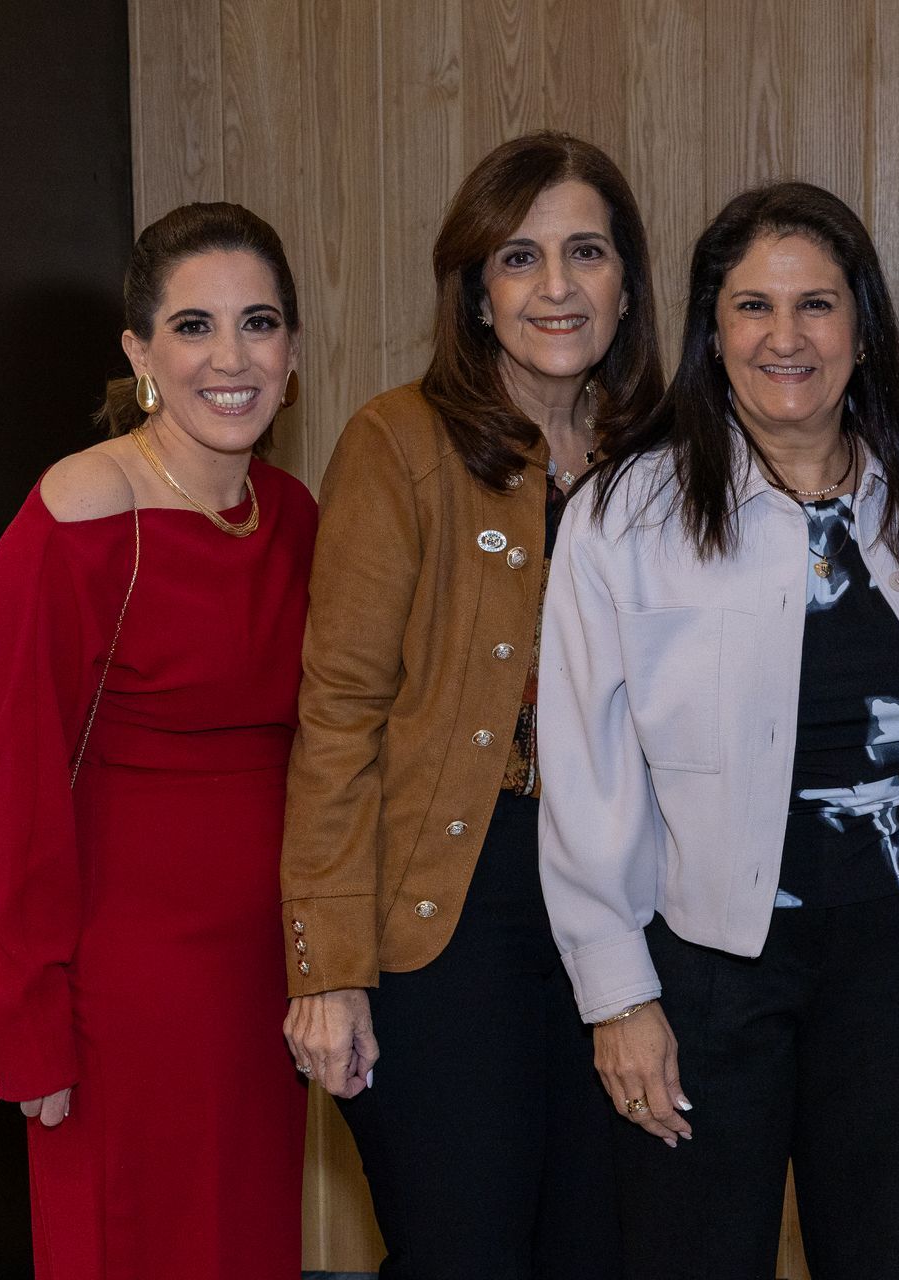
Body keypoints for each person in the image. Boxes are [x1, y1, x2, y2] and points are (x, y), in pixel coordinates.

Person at [537, 180, 899, 1279]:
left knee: (888, 1255)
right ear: (712, 330)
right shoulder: (625, 515)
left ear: (862, 329)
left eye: (816, 305)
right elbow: (585, 772)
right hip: (707, 970)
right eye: (753, 306)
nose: (786, 337)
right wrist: (620, 997)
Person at [279, 133, 662, 1279]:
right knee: (464, 1247)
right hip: (451, 905)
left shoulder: (663, 457)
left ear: (627, 283)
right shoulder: (397, 442)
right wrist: (327, 966)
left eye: (586, 251)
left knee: (599, 1251)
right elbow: (338, 716)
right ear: (476, 291)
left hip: (624, 904)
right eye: (519, 257)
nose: (556, 286)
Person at [0, 203, 314, 1279]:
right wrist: (30, 1023)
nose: (231, 358)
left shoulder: (294, 513)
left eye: (258, 322)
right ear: (140, 352)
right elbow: (13, 788)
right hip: (121, 1000)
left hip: (264, 992)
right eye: (194, 326)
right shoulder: (83, 511)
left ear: (293, 350)